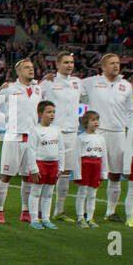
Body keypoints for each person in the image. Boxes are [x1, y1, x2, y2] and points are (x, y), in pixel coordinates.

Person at [79, 54, 133, 223]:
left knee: (115, 174)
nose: (116, 66)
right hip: (98, 132)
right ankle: (86, 212)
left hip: (118, 133)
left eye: (117, 63)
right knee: (92, 172)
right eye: (112, 63)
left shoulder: (126, 85)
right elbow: (72, 90)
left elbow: (130, 111)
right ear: (103, 67)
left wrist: (131, 132)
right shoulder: (91, 82)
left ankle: (111, 211)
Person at [0, 57, 43, 223]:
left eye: (32, 67)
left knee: (27, 176)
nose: (31, 69)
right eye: (27, 67)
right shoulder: (10, 88)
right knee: (6, 175)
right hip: (13, 136)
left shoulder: (38, 89)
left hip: (31, 138)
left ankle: (25, 210)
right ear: (19, 71)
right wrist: (5, 121)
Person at [39, 52, 80, 220]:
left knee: (65, 172)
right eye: (65, 62)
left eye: (71, 62)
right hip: (53, 131)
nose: (69, 65)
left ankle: (59, 210)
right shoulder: (49, 82)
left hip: (72, 132)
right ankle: (40, 210)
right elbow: (33, 91)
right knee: (47, 171)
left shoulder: (78, 83)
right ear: (57, 64)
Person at [24, 101, 64, 229]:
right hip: (40, 165)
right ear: (40, 114)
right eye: (49, 112)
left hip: (54, 165)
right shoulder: (35, 130)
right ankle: (34, 219)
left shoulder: (57, 130)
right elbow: (31, 150)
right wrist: (33, 169)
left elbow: (61, 149)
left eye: (53, 112)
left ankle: (46, 219)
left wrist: (61, 167)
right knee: (36, 192)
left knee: (48, 194)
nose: (52, 115)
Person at [75, 111, 107, 228]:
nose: (96, 122)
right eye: (93, 120)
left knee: (93, 193)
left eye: (97, 120)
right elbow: (77, 156)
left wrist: (104, 172)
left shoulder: (101, 138)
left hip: (96, 165)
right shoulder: (81, 138)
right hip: (85, 165)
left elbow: (104, 155)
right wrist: (78, 173)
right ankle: (80, 218)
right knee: (82, 192)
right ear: (85, 122)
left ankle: (90, 218)